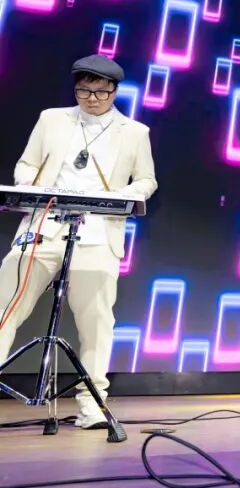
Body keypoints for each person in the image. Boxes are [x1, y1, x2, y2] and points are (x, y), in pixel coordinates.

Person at [0, 55, 157, 428]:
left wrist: (122, 196)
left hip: (97, 233)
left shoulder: (135, 132)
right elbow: (26, 164)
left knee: (97, 322)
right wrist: (29, 185)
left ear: (114, 91)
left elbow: (147, 180)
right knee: (4, 306)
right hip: (43, 228)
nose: (92, 99)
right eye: (85, 91)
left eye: (101, 92)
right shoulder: (52, 119)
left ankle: (91, 404)